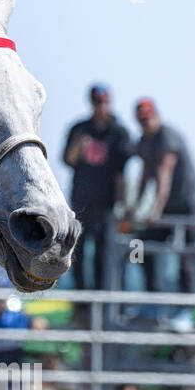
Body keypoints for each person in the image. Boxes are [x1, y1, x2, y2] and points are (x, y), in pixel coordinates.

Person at [62, 84, 132, 292]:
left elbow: (122, 173)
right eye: (97, 102)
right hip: (81, 203)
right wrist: (78, 146)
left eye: (104, 102)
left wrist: (123, 207)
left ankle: (101, 300)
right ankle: (81, 300)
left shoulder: (119, 132)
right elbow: (68, 160)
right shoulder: (79, 129)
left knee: (105, 254)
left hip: (107, 205)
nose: (101, 107)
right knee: (76, 253)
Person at [133, 98, 195, 294]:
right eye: (141, 120)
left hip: (187, 202)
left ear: (156, 115)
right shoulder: (144, 142)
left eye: (148, 118)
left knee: (187, 254)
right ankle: (152, 300)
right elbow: (145, 176)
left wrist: (155, 210)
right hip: (166, 206)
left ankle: (187, 308)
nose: (145, 123)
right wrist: (134, 207)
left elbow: (165, 175)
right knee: (140, 246)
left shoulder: (168, 136)